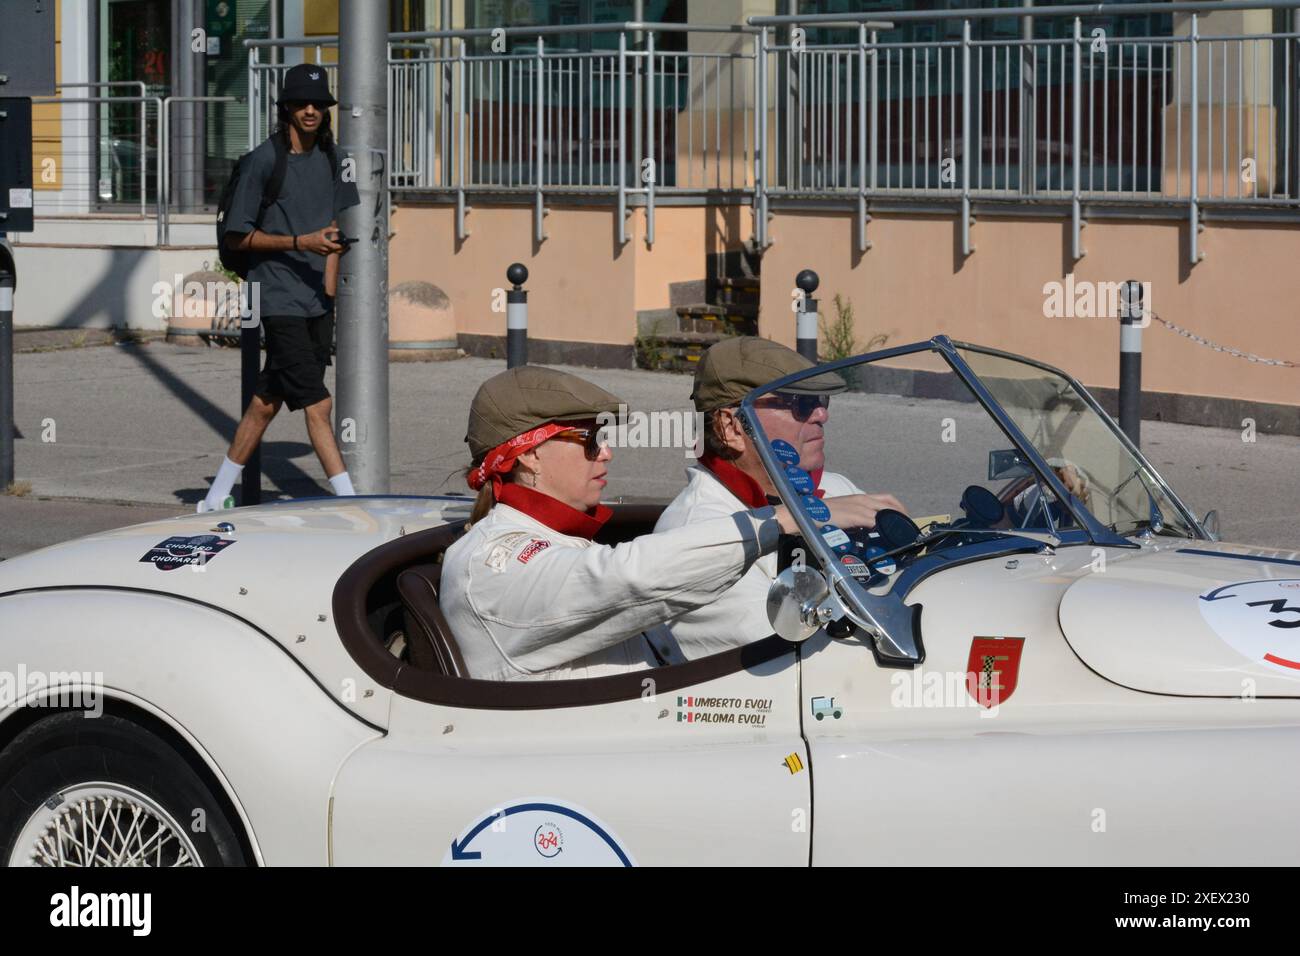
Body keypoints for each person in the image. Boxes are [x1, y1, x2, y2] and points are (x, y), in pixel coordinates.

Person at [439, 366, 889, 681]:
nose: (607, 452)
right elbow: (628, 578)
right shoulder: (492, 563)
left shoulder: (558, 539)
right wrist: (784, 519)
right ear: (529, 454)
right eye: (591, 439)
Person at [655, 337, 906, 658]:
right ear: (730, 426)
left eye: (822, 400)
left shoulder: (839, 488)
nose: (821, 415)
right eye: (799, 402)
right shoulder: (697, 530)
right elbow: (797, 654)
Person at [196, 64, 360, 512]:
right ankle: (351, 504)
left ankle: (213, 499)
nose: (311, 111)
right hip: (277, 296)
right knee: (319, 406)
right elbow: (236, 237)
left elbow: (332, 231)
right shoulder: (262, 161)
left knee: (264, 403)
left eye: (319, 104)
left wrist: (328, 296)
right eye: (302, 103)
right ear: (285, 108)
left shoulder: (334, 159)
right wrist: (296, 242)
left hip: (315, 301)